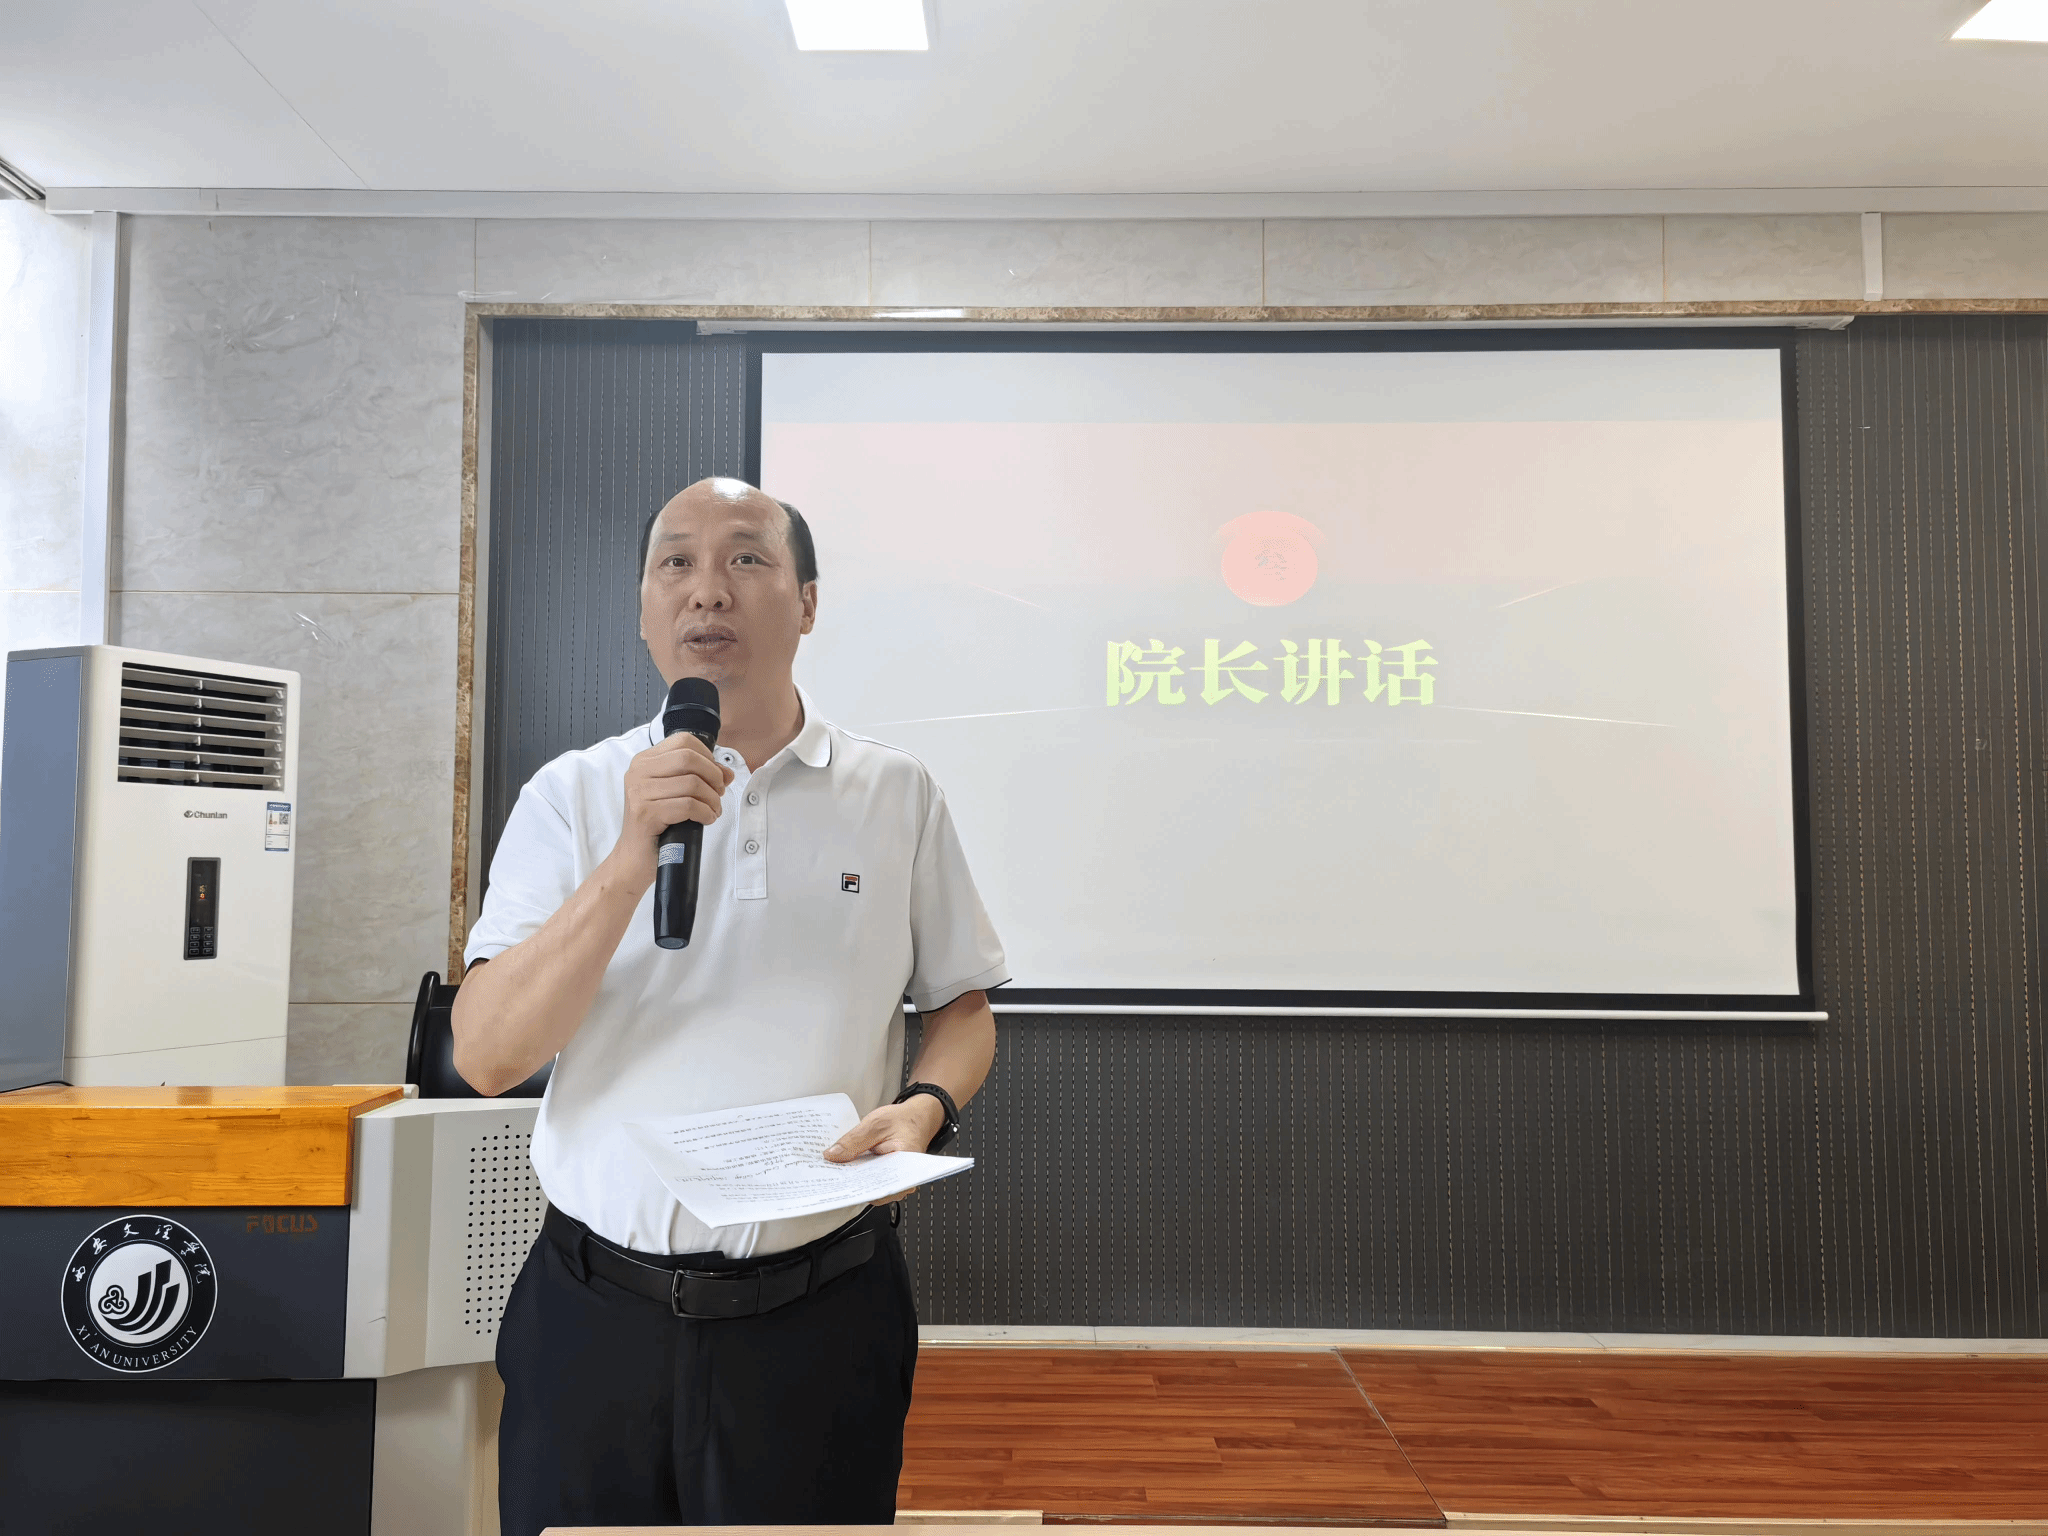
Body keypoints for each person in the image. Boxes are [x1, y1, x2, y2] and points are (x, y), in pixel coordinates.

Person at [453, 476, 1006, 1536]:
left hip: (821, 1319)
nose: (707, 589)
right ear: (644, 606)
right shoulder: (572, 795)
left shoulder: (894, 793)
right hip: (596, 1317)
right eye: (676, 562)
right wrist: (630, 856)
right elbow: (485, 1055)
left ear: (807, 602)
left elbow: (962, 1006)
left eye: (747, 558)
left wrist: (926, 1106)